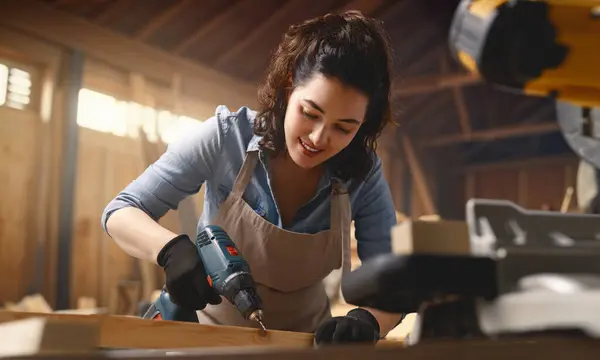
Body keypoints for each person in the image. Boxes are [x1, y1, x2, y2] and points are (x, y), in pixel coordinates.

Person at [101, 10, 403, 345]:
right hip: (206, 341)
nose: (318, 137)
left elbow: (392, 281)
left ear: (364, 124)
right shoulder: (224, 139)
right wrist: (169, 250)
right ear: (289, 86)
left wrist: (369, 320)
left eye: (344, 128)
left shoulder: (363, 174)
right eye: (310, 113)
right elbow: (121, 210)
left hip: (303, 346)